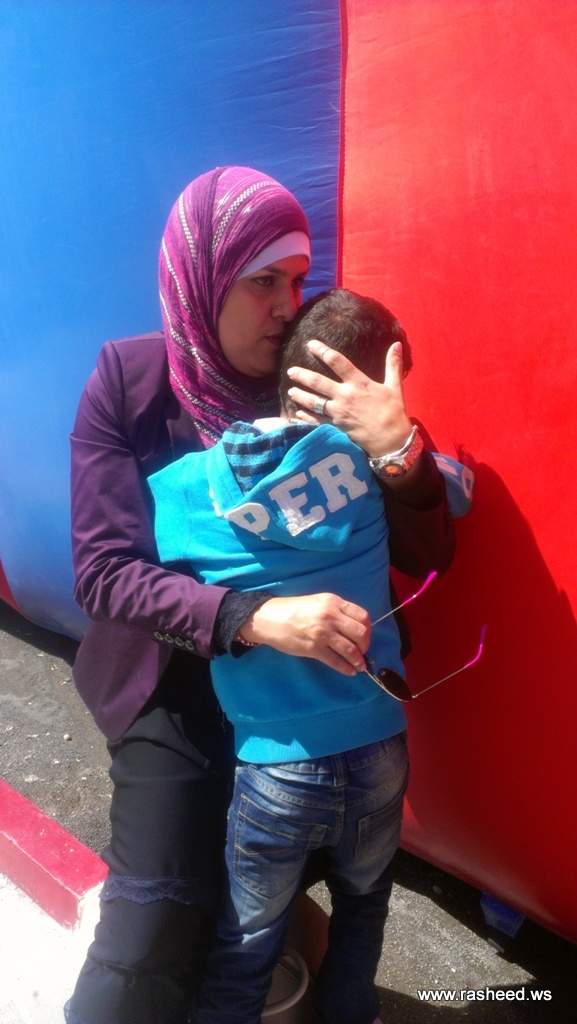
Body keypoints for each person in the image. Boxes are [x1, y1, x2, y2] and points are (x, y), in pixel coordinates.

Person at [66, 167, 455, 1024]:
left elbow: (429, 552)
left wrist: (399, 453)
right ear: (203, 279)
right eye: (262, 281)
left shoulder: (317, 383)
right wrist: (252, 618)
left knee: (311, 855)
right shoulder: (130, 382)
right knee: (148, 934)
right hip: (176, 687)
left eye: (297, 280)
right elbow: (103, 571)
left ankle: (259, 929)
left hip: (307, 703)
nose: (286, 306)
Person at [149, 287, 419, 1024]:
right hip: (377, 744)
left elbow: (143, 579)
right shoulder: (369, 464)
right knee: (363, 907)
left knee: (249, 940)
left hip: (274, 765)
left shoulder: (186, 488)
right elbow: (450, 495)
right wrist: (396, 437)